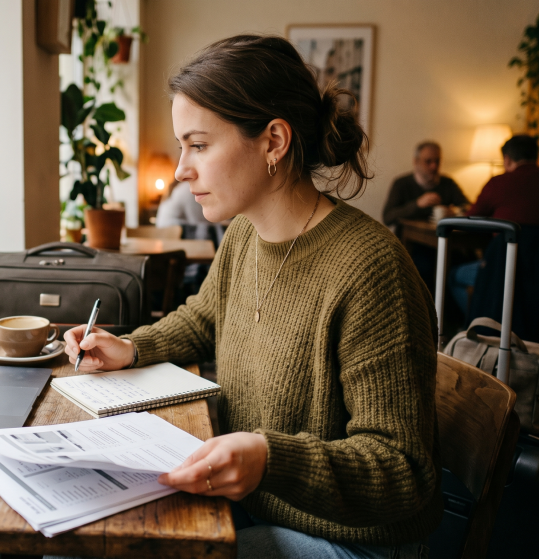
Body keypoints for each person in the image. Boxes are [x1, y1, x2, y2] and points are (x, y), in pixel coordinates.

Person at [61, 34, 440, 559]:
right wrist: (132, 348)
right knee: (81, 540)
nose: (179, 170)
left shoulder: (371, 269)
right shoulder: (245, 234)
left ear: (274, 141)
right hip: (256, 504)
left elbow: (403, 471)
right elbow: (203, 318)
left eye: (198, 144)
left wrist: (269, 457)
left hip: (347, 540)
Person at [450, 135, 539, 314]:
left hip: (508, 269)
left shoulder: (498, 184)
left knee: (454, 275)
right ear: (535, 157)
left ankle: (475, 328)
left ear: (507, 159)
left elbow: (469, 220)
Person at [382, 141, 469, 231]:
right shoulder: (401, 183)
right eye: (428, 161)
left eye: (437, 161)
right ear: (416, 161)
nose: (434, 166)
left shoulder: (448, 183)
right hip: (408, 241)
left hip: (440, 240)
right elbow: (388, 218)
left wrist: (454, 212)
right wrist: (417, 204)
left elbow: (468, 207)